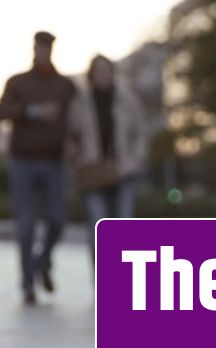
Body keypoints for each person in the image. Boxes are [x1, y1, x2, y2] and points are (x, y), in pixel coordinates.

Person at [0, 30, 76, 305]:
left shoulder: (65, 85)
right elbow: (1, 111)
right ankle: (28, 282)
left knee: (57, 220)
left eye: (47, 48)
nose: (42, 52)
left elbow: (76, 119)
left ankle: (40, 263)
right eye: (39, 47)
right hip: (23, 161)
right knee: (26, 224)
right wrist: (31, 111)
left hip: (54, 161)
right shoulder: (17, 82)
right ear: (33, 49)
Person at [69, 54, 146, 275]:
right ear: (91, 75)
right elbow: (71, 137)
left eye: (106, 71)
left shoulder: (126, 99)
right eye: (98, 71)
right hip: (93, 173)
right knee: (98, 228)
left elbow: (139, 133)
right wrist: (78, 159)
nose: (103, 76)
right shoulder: (80, 103)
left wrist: (134, 159)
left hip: (123, 172)